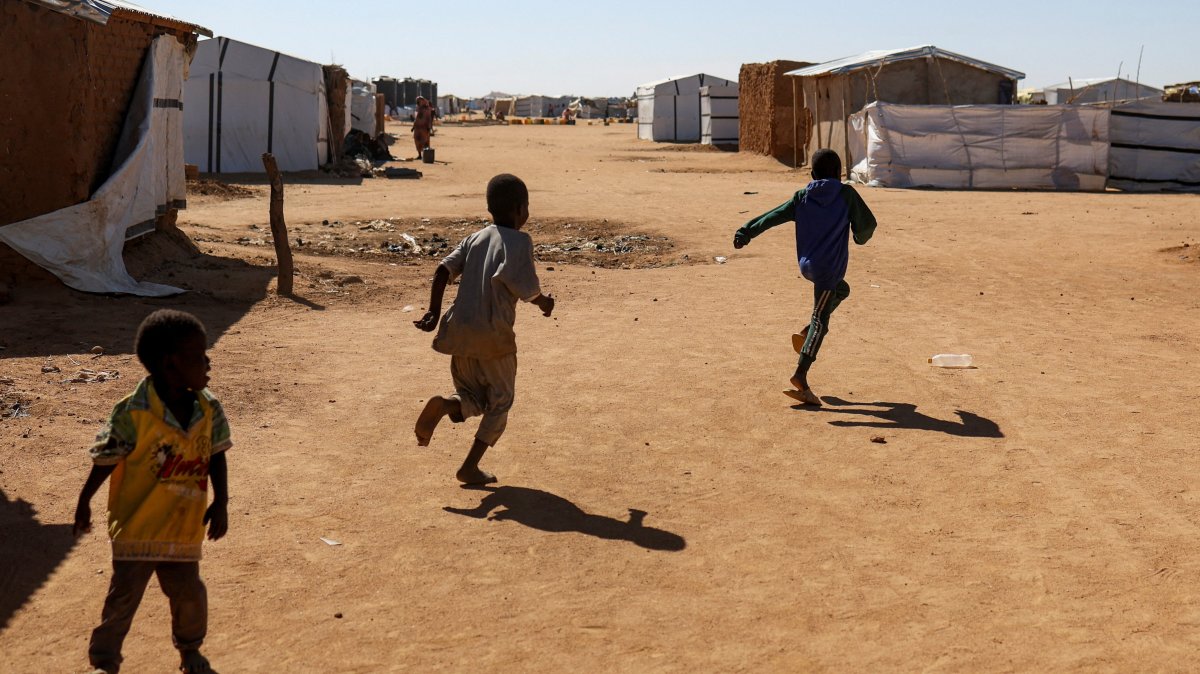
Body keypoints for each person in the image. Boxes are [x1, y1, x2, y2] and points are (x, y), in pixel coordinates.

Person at [73, 310, 231, 674]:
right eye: (198, 356)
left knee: (189, 596)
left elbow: (217, 454)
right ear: (171, 364)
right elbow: (106, 459)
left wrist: (222, 501)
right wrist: (84, 501)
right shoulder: (132, 412)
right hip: (137, 529)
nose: (208, 362)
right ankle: (105, 659)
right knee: (122, 599)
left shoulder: (208, 408)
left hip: (182, 528)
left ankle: (190, 651)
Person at [413, 174, 555, 484]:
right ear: (520, 210)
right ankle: (469, 467)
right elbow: (527, 289)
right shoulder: (519, 242)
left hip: (460, 335)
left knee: (472, 396)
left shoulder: (474, 239)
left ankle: (447, 405)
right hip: (494, 340)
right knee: (500, 403)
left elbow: (442, 271)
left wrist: (433, 312)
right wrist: (545, 303)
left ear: (490, 208)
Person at [731, 148, 877, 406]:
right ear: (839, 173)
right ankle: (801, 375)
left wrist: (746, 232)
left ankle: (808, 331)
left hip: (809, 266)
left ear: (812, 175)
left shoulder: (802, 197)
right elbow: (867, 226)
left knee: (842, 291)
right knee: (821, 321)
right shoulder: (846, 194)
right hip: (828, 270)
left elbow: (773, 216)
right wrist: (858, 237)